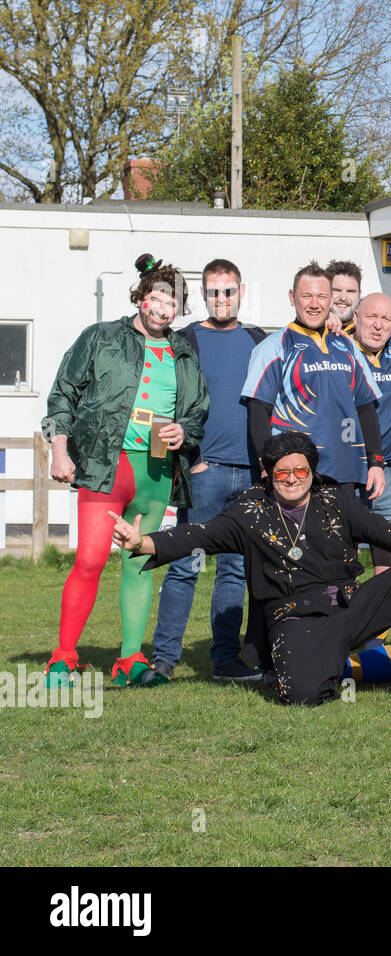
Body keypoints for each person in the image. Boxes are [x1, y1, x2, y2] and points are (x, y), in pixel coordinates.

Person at [113, 430, 391, 704]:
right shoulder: (250, 511)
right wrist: (142, 541)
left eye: (301, 471)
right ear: (268, 474)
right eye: (282, 472)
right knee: (303, 694)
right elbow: (199, 534)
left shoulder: (335, 501)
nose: (292, 479)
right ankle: (361, 665)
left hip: (348, 605)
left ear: (312, 472)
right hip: (294, 618)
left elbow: (388, 532)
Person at [41, 254, 209, 688]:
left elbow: (196, 412)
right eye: (156, 297)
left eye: (172, 302)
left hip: (155, 470)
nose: (162, 308)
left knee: (139, 561)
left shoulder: (184, 352)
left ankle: (130, 660)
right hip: (104, 468)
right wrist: (59, 449)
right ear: (140, 297)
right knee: (90, 559)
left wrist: (183, 431)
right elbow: (63, 394)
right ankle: (63, 657)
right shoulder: (99, 338)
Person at [149, 258, 265, 682]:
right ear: (203, 294)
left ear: (241, 291)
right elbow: (163, 400)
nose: (221, 299)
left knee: (234, 569)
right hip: (205, 473)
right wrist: (184, 462)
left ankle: (225, 661)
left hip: (250, 476)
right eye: (213, 291)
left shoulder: (257, 339)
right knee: (186, 565)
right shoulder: (185, 339)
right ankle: (164, 660)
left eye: (228, 291)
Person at [242, 261, 385, 502]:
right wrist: (265, 464)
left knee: (344, 540)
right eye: (306, 295)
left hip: (345, 470)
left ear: (331, 300)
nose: (314, 304)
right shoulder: (273, 347)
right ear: (292, 297)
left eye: (321, 296)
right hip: (295, 474)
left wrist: (376, 462)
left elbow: (365, 407)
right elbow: (258, 411)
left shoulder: (347, 345)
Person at [350, 292, 391, 572]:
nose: (378, 325)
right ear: (355, 318)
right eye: (371, 317)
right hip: (347, 472)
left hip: (389, 472)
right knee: (340, 559)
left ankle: (384, 616)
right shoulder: (337, 350)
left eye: (385, 319)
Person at [326, 259, 363, 333]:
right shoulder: (309, 331)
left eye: (350, 291)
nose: (343, 298)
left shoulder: (368, 333)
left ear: (359, 295)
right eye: (337, 290)